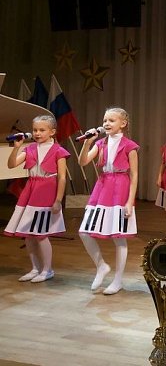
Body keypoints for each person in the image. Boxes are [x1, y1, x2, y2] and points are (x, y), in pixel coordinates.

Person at [77, 107, 138, 295]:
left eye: (111, 120)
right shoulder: (100, 143)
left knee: (118, 236)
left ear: (123, 123)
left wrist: (130, 201)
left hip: (120, 187)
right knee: (84, 232)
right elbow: (83, 162)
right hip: (103, 186)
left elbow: (134, 175)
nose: (106, 123)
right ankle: (101, 265)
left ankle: (118, 280)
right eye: (105, 120)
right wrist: (87, 143)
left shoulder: (129, 146)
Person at [4, 115, 69, 283]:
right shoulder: (30, 148)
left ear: (52, 132)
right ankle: (35, 268)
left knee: (40, 233)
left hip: (46, 190)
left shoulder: (58, 151)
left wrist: (58, 200)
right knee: (27, 233)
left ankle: (47, 270)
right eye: (35, 130)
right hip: (31, 189)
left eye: (42, 130)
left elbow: (62, 177)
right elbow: (11, 165)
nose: (37, 133)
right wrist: (16, 148)